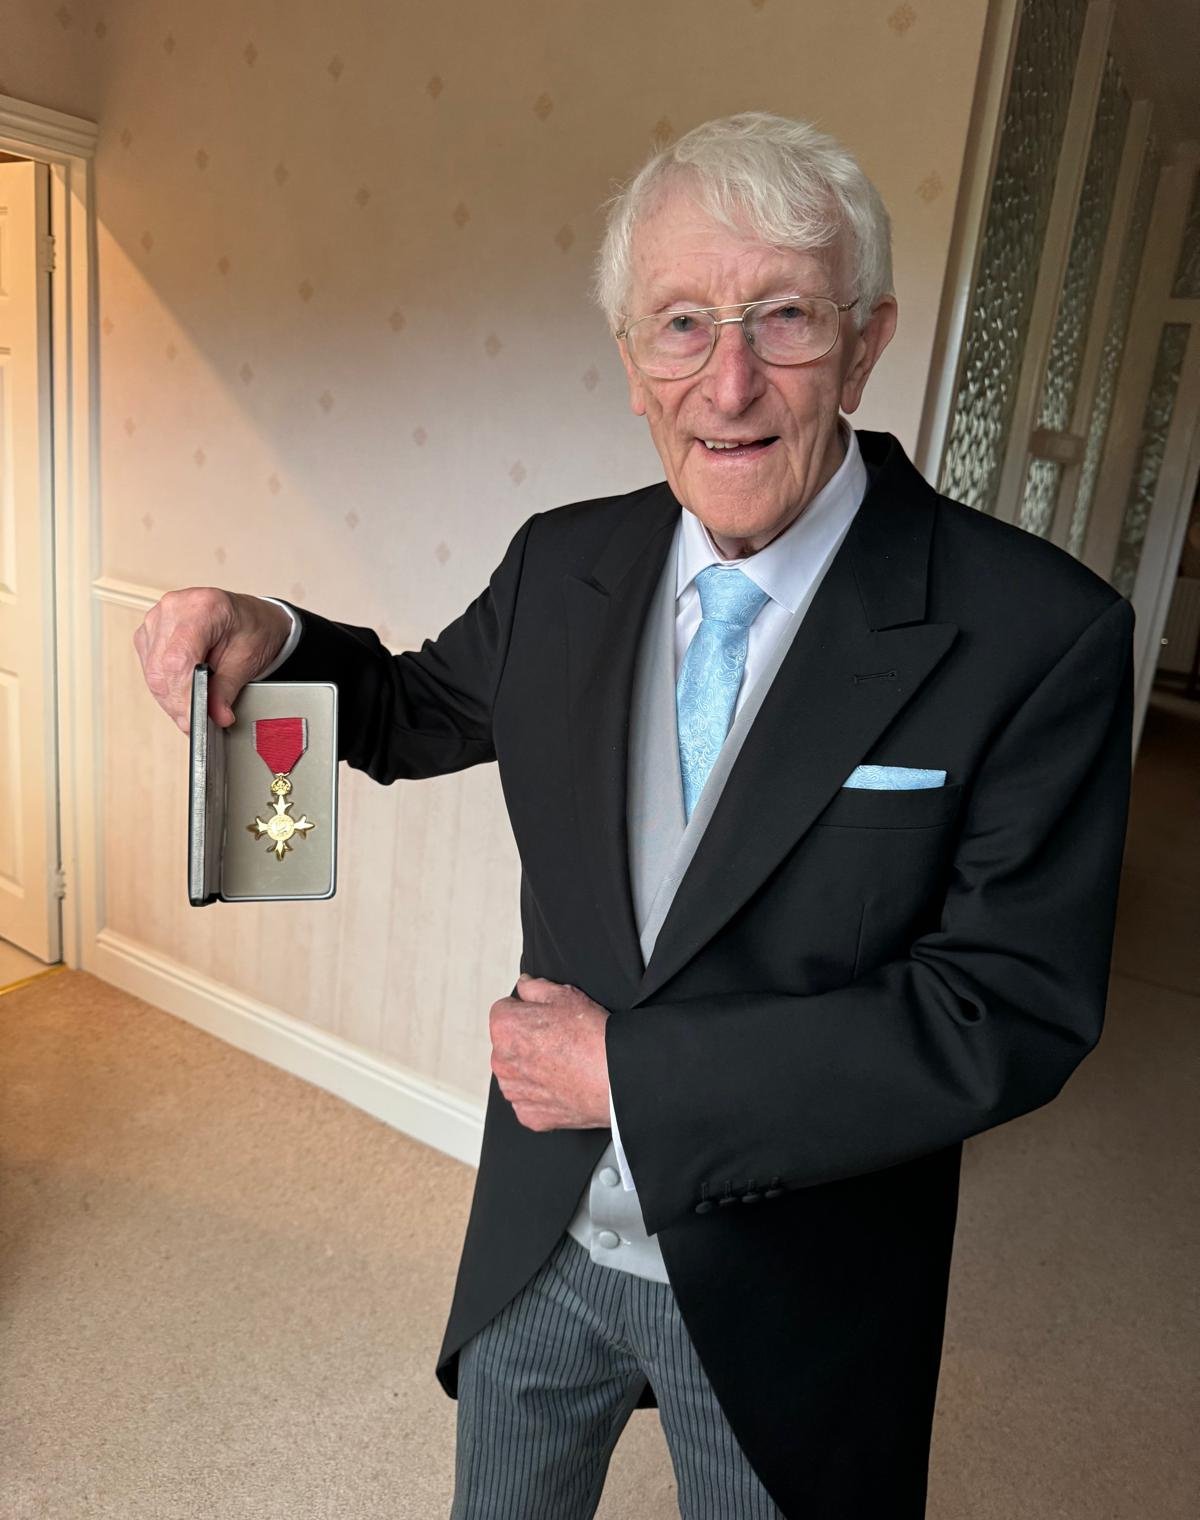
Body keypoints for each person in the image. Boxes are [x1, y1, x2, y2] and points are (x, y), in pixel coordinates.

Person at [134, 113, 1134, 1519]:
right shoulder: (564, 564)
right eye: (680, 323)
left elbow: (1008, 1012)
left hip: (801, 1285)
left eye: (783, 316)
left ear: (864, 341)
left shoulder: (1039, 632)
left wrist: (633, 1081)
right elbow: (418, 711)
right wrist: (271, 629)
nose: (728, 380)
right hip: (540, 1241)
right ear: (629, 364)